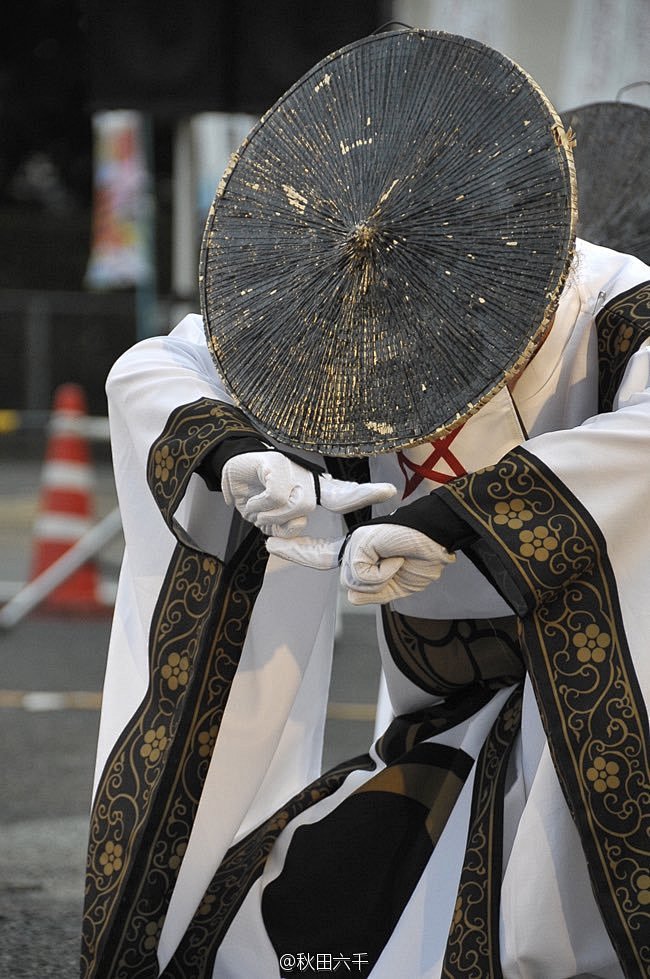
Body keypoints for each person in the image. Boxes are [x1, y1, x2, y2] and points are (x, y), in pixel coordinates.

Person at [81, 29, 650, 979]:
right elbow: (157, 366)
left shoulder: (619, 310)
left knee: (544, 925)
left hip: (602, 699)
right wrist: (233, 457)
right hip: (434, 712)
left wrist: (459, 519)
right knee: (298, 933)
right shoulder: (344, 292)